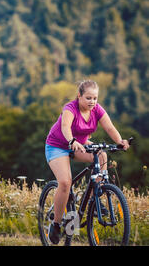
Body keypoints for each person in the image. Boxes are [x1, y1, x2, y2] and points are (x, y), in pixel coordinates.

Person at [44, 79, 130, 244]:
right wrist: (72, 141)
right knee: (65, 182)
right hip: (58, 146)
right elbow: (65, 128)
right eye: (88, 98)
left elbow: (110, 128)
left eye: (95, 98)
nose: (92, 102)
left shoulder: (97, 110)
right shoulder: (70, 108)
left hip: (80, 145)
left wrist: (120, 141)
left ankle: (94, 198)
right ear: (79, 96)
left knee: (102, 155)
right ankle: (56, 225)